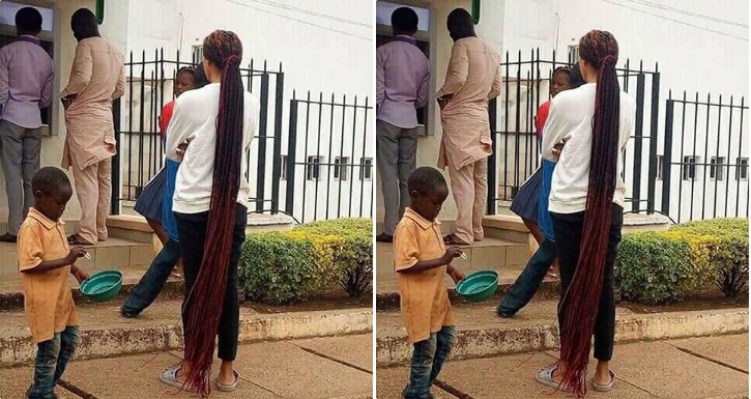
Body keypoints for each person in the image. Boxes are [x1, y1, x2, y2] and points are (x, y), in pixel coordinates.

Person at [158, 30, 259, 397]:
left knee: (197, 286)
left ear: (207, 62)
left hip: (193, 207)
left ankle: (190, 368)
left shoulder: (190, 101)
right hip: (233, 207)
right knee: (226, 287)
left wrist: (189, 151)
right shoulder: (251, 102)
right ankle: (227, 373)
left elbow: (172, 149)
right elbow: (242, 145)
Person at [535, 30, 635, 396]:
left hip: (569, 207)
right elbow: (618, 145)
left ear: (583, 62)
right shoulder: (627, 102)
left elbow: (548, 150)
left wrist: (565, 151)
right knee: (602, 287)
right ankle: (602, 373)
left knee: (573, 286)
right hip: (609, 207)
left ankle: (566, 369)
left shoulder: (566, 101)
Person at [120, 66, 207, 318]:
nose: (179, 88)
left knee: (176, 252)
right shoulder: (177, 110)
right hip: (183, 190)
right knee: (174, 250)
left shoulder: (193, 112)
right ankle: (135, 304)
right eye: (177, 84)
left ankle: (135, 304)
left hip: (190, 193)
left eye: (185, 84)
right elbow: (175, 150)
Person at [497, 66, 583, 318]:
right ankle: (510, 304)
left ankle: (510, 304)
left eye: (561, 84)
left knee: (551, 252)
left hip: (566, 195)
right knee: (550, 250)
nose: (555, 87)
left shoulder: (569, 113)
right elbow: (551, 151)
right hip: (559, 192)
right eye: (553, 83)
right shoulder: (553, 111)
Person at [17, 167, 89, 399]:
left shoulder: (55, 221)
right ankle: (43, 393)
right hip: (44, 303)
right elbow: (30, 264)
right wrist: (67, 259)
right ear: (39, 196)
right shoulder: (31, 227)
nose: (62, 208)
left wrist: (74, 268)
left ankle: (41, 387)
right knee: (49, 351)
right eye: (59, 203)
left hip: (62, 301)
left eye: (65, 204)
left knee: (70, 342)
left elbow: (58, 253)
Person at [394, 166, 466, 399]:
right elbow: (407, 264)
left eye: (441, 204)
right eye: (435, 203)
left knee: (446, 342)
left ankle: (418, 387)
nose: (438, 209)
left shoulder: (431, 221)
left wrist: (450, 268)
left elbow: (434, 253)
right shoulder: (407, 227)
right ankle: (419, 393)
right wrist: (443, 259)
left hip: (438, 301)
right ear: (416, 196)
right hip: (420, 303)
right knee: (425, 351)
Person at [436, 8, 501, 246]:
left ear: (453, 28)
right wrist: (478, 96)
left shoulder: (461, 46)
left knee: (462, 177)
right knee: (479, 177)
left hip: (461, 119)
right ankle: (476, 229)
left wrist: (442, 94)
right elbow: (496, 89)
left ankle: (463, 233)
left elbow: (458, 78)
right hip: (481, 119)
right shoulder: (492, 51)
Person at [61, 8, 125, 246]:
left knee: (86, 177)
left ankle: (87, 233)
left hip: (85, 120)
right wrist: (102, 97)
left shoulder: (85, 46)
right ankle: (100, 229)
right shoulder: (116, 51)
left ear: (77, 28)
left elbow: (81, 78)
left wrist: (66, 94)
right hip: (105, 119)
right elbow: (120, 89)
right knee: (103, 178)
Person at [375, 6, 430, 243]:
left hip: (387, 116)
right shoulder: (423, 59)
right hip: (410, 118)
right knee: (408, 177)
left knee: (388, 174)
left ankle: (390, 228)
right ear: (416, 29)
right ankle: (406, 228)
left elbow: (377, 91)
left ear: (394, 26)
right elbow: (422, 98)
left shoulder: (383, 51)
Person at [0, 7, 55, 243]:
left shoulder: (6, 52)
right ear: (40, 29)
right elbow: (46, 98)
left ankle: (14, 228)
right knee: (32, 177)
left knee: (12, 174)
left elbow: (1, 91)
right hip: (34, 118)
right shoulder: (47, 59)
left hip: (12, 116)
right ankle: (31, 229)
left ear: (18, 26)